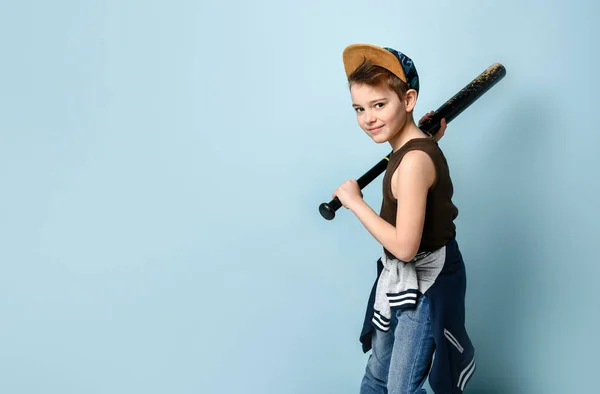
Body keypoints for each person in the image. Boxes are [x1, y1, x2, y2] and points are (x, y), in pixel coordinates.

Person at [332, 44, 476, 393]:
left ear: (408, 100)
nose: (369, 118)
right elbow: (415, 153)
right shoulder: (410, 149)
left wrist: (355, 203)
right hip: (400, 280)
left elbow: (406, 247)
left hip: (425, 284)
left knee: (400, 388)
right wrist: (427, 140)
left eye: (379, 105)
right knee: (377, 377)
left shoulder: (413, 161)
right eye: (359, 108)